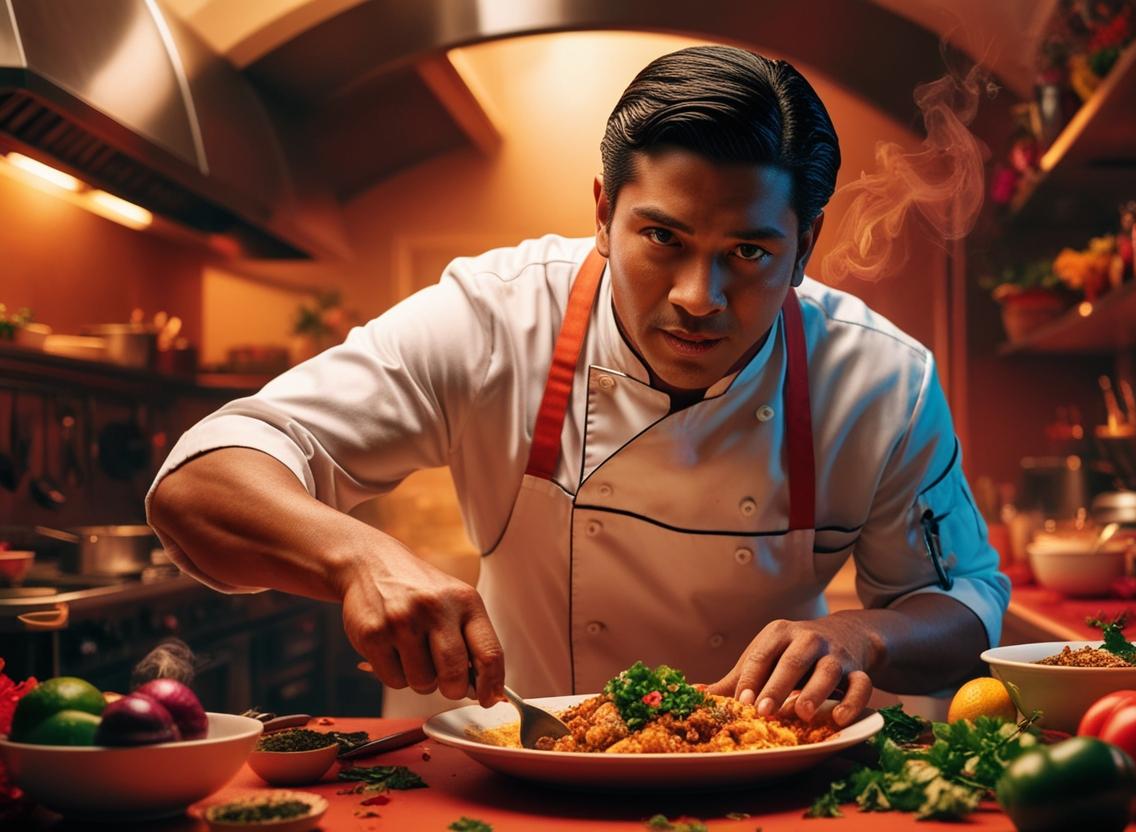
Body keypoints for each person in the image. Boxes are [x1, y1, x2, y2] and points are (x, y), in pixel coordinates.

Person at [147, 45, 1010, 725]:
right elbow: (198, 482)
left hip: (761, 786)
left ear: (805, 245)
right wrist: (357, 557)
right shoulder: (493, 318)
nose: (698, 297)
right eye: (663, 238)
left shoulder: (878, 381)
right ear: (602, 211)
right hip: (515, 768)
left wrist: (860, 635)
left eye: (748, 252)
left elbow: (967, 607)